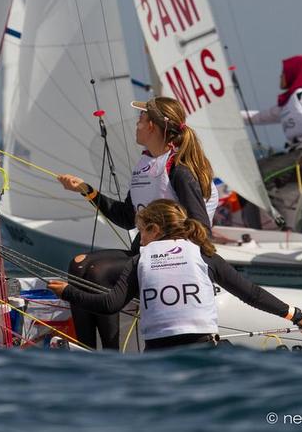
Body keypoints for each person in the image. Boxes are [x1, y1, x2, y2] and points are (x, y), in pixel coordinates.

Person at [47, 200, 302, 351]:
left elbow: (110, 304)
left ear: (155, 230)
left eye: (142, 231)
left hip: (158, 354)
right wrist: (297, 316)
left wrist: (67, 292)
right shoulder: (203, 255)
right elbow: (251, 294)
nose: (140, 239)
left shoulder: (140, 260)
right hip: (203, 351)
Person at [56, 96, 218, 349]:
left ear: (152, 126)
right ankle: (85, 350)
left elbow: (202, 227)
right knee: (78, 265)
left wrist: (170, 246)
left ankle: (110, 355)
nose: (137, 126)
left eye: (140, 120)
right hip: (140, 251)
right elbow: (126, 217)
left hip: (169, 260)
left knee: (97, 273)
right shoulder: (145, 165)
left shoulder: (179, 171)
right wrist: (86, 190)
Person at [241, 55, 302, 227]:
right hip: (295, 153)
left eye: (283, 73)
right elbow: (259, 117)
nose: (280, 77)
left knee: (261, 175)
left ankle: (283, 226)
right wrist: (226, 115)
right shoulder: (290, 101)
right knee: (249, 172)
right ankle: (254, 227)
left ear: (294, 73)